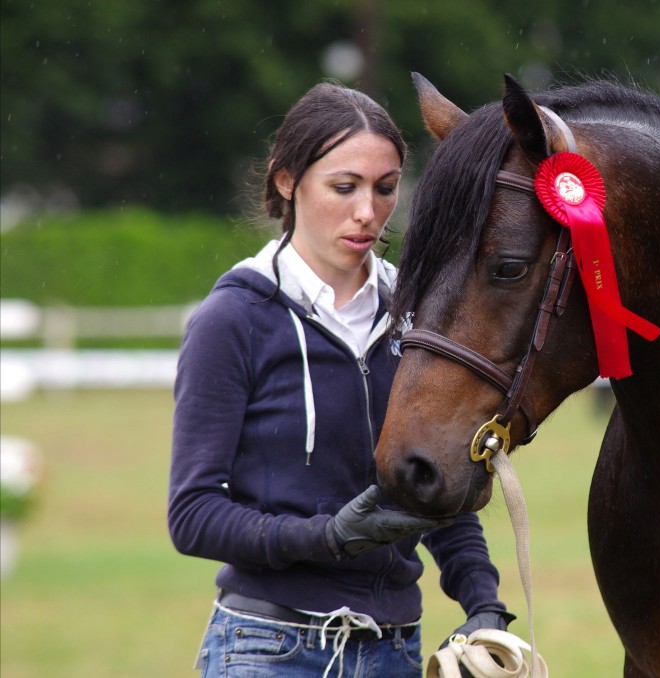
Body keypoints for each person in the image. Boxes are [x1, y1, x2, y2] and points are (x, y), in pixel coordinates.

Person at [168, 81, 514, 677]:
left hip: (397, 649)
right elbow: (193, 515)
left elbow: (436, 490)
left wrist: (483, 602)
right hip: (269, 648)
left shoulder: (417, 315)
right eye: (344, 187)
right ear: (287, 181)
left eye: (384, 189)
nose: (368, 213)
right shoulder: (233, 319)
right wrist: (327, 538)